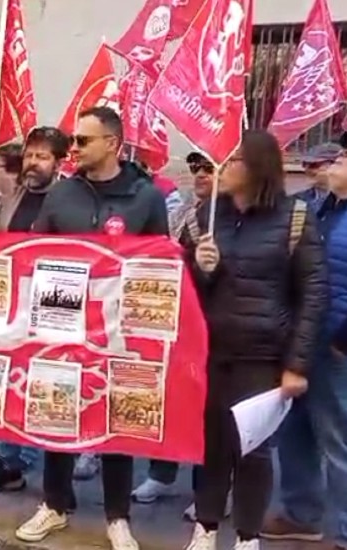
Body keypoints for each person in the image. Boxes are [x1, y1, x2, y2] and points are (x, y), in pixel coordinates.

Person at [16, 107, 168, 550]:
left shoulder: (146, 196)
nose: (74, 148)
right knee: (57, 414)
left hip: (119, 331)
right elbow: (35, 252)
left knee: (115, 420)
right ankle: (54, 504)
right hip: (61, 325)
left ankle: (117, 517)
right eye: (74, 140)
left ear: (112, 145)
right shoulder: (61, 195)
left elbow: (161, 263)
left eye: (83, 141)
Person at [180, 129, 327, 550]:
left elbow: (313, 293)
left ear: (258, 167)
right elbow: (182, 290)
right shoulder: (205, 214)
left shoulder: (295, 217)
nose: (221, 170)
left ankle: (247, 535)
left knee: (253, 450)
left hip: (263, 355)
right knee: (210, 445)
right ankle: (206, 526)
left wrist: (296, 365)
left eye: (233, 162)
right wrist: (199, 264)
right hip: (211, 351)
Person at [263, 131, 347, 550]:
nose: (337, 159)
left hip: (342, 351)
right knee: (295, 432)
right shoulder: (326, 208)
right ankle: (300, 513)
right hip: (304, 341)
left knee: (343, 443)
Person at [0, 128, 69, 498]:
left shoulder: (70, 199)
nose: (33, 163)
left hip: (53, 309)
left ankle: (52, 475)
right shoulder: (12, 196)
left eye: (42, 156)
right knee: (8, 382)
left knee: (48, 387)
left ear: (59, 162)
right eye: (29, 155)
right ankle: (9, 463)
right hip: (11, 307)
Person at [133, 151, 229, 523]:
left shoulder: (236, 214)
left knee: (209, 414)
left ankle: (210, 491)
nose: (200, 174)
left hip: (218, 325)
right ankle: (161, 474)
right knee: (170, 401)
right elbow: (167, 249)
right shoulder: (190, 209)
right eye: (194, 168)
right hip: (177, 320)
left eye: (208, 168)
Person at [294, 142, 343, 212]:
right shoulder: (299, 198)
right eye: (304, 164)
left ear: (335, 164)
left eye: (314, 165)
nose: (307, 170)